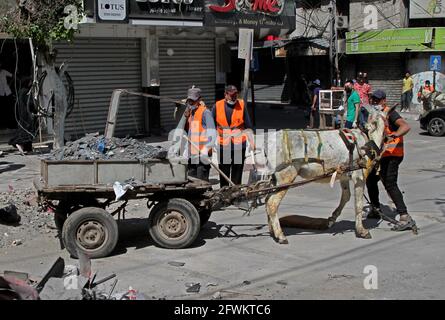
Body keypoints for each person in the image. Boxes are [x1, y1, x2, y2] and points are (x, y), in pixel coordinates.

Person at [366, 89, 416, 231]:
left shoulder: (389, 113)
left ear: (384, 101)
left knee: (389, 183)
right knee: (370, 180)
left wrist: (394, 135)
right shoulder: (374, 114)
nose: (374, 102)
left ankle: (404, 216)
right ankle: (375, 209)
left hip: (393, 154)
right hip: (380, 155)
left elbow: (405, 126)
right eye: (373, 99)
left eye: (377, 100)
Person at [212, 85, 253, 187]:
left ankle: (236, 194)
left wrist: (252, 142)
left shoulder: (242, 105)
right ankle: (224, 193)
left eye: (235, 95)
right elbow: (211, 126)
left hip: (239, 144)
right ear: (225, 94)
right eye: (231, 96)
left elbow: (248, 125)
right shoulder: (217, 106)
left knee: (237, 171)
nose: (234, 98)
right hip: (224, 144)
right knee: (224, 171)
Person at [183, 87, 216, 182]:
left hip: (202, 153)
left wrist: (207, 150)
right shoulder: (191, 112)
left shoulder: (206, 113)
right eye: (189, 101)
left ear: (199, 100)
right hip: (192, 153)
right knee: (191, 182)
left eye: (192, 101)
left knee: (202, 182)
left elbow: (212, 134)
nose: (190, 103)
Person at [8, 77, 36, 154]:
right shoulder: (27, 92)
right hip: (27, 114)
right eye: (30, 82)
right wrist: (35, 108)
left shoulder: (20, 91)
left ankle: (27, 148)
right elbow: (30, 103)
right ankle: (20, 144)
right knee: (28, 130)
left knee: (23, 129)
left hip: (21, 114)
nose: (31, 83)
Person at [0, 61, 14, 129]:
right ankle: (4, 125)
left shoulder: (4, 71)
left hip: (8, 92)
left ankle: (11, 125)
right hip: (1, 94)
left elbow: (12, 76)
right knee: (3, 110)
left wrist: (10, 84)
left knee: (10, 109)